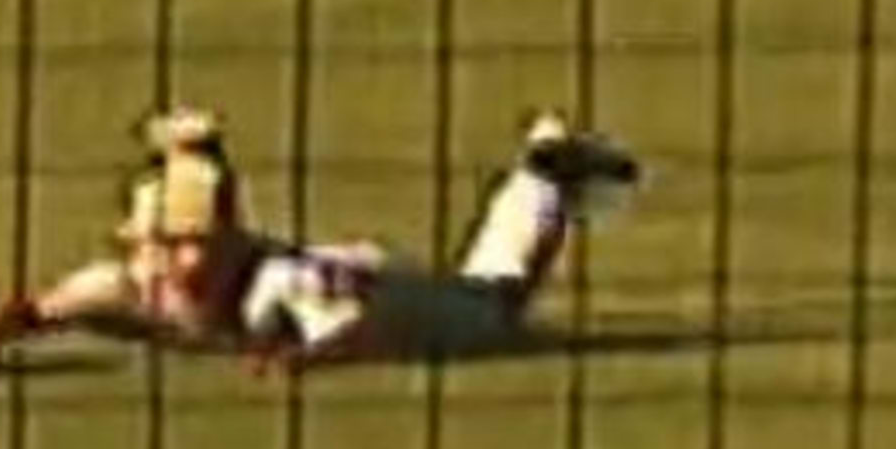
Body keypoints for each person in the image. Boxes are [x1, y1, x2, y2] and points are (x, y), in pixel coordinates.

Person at [234, 113, 643, 375]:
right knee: (488, 292)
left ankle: (542, 180)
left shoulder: (294, 303)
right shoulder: (273, 279)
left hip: (400, 297)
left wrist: (303, 361)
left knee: (496, 303)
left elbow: (355, 335)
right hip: (383, 275)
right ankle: (540, 175)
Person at [0, 107, 263, 372]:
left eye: (198, 244)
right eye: (164, 245)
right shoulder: (119, 285)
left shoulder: (271, 280)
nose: (188, 261)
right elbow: (31, 315)